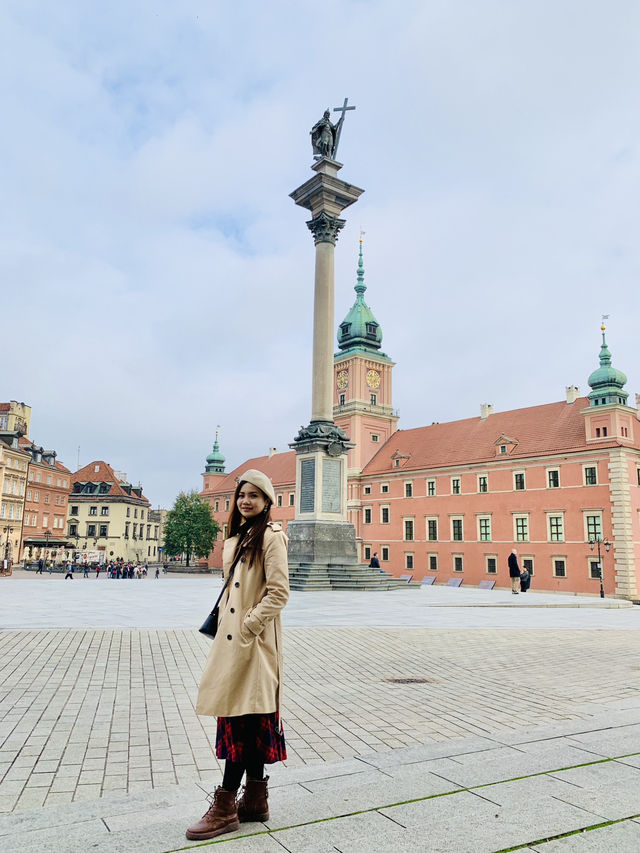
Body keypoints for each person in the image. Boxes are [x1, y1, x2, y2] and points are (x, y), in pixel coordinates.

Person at [186, 470, 289, 842]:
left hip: (253, 646)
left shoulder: (271, 539)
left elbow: (279, 592)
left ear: (267, 502)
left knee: (241, 720)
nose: (246, 501)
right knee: (252, 718)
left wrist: (248, 626)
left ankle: (226, 806)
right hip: (235, 645)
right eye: (242, 495)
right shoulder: (239, 538)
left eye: (255, 496)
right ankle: (255, 801)